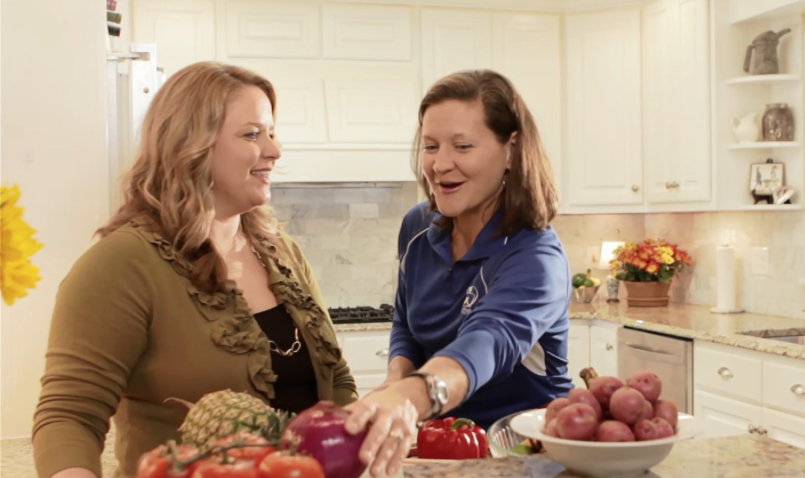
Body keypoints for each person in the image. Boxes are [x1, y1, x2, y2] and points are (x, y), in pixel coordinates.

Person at [32, 62, 357, 478]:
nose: (274, 151)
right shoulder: (121, 264)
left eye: (272, 133)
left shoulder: (282, 252)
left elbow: (339, 386)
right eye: (252, 134)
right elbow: (69, 415)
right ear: (191, 144)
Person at [344, 69, 573, 477]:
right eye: (430, 146)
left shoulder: (535, 257)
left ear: (511, 150)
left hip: (525, 456)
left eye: (462, 146)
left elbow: (484, 345)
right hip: (441, 446)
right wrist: (396, 377)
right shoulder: (417, 226)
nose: (439, 164)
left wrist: (411, 395)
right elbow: (407, 320)